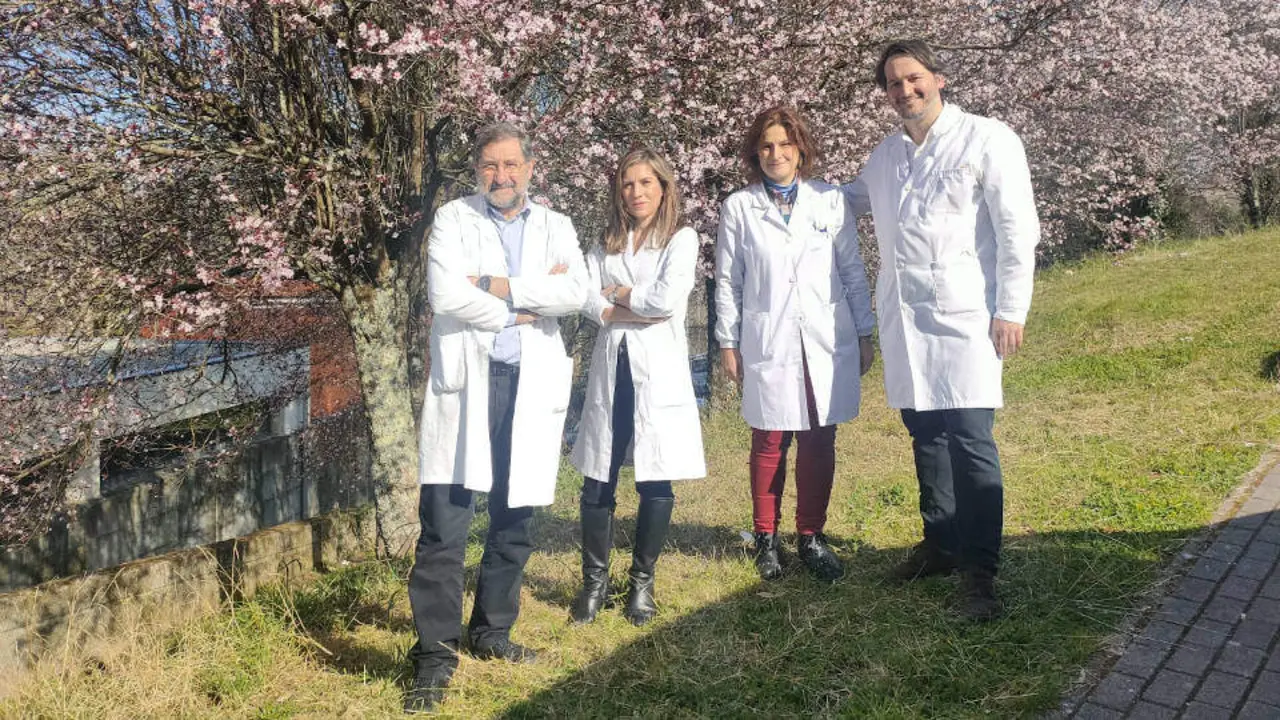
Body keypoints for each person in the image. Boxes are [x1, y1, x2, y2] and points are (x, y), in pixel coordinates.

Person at [844, 40, 1040, 620]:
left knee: (970, 439)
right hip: (906, 319)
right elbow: (845, 202)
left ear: (938, 78)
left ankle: (981, 575)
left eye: (913, 78)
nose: (904, 90)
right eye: (893, 83)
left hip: (966, 316)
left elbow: (1017, 228)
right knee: (925, 432)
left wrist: (1011, 309)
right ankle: (941, 543)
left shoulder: (986, 138)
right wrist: (784, 184)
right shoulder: (885, 156)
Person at [405, 122, 588, 713]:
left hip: (529, 385)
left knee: (515, 516)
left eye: (511, 165)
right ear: (477, 170)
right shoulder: (454, 218)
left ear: (530, 168)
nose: (501, 176)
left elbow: (576, 293)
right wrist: (519, 309)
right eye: (490, 165)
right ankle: (434, 655)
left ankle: (492, 630)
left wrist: (493, 285)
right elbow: (445, 295)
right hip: (468, 385)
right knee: (445, 522)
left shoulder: (557, 225)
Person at [714, 106, 876, 583]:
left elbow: (852, 269)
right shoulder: (739, 207)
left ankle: (811, 536)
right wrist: (727, 341)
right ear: (755, 153)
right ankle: (766, 537)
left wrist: (864, 331)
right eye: (766, 146)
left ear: (800, 150)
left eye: (785, 144)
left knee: (819, 436)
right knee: (769, 437)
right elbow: (728, 281)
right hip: (768, 337)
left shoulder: (829, 200)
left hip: (824, 336)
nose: (776, 153)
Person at [569, 147, 706, 626]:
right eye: (628, 184)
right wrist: (615, 309)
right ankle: (594, 582)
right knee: (598, 474)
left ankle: (642, 583)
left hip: (658, 370)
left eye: (646, 182)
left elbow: (666, 300)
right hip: (613, 366)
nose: (636, 192)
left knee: (655, 475)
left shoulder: (681, 238)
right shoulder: (607, 240)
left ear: (663, 187)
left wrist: (621, 294)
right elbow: (586, 295)